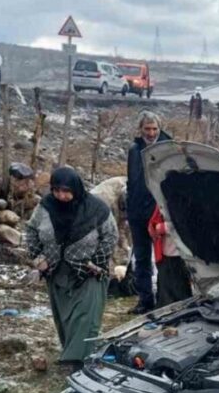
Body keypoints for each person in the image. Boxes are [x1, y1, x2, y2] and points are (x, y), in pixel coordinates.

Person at [24, 167, 117, 369]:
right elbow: (31, 230)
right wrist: (39, 258)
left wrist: (96, 262)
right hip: (57, 272)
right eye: (57, 190)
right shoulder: (46, 207)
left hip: (89, 272)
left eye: (66, 191)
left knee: (85, 318)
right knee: (66, 319)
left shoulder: (97, 209)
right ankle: (73, 353)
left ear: (76, 188)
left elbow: (110, 237)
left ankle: (76, 361)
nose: (61, 196)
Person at [125, 111, 171, 314]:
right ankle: (145, 300)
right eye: (147, 129)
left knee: (166, 258)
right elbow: (131, 181)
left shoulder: (169, 149)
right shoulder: (135, 150)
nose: (151, 133)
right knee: (142, 257)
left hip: (160, 212)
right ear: (141, 129)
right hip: (137, 212)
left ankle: (166, 299)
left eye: (154, 129)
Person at [148, 205, 193, 307]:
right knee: (167, 282)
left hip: (179, 251)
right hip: (166, 250)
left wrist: (163, 227)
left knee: (179, 285)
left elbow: (186, 221)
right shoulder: (161, 201)